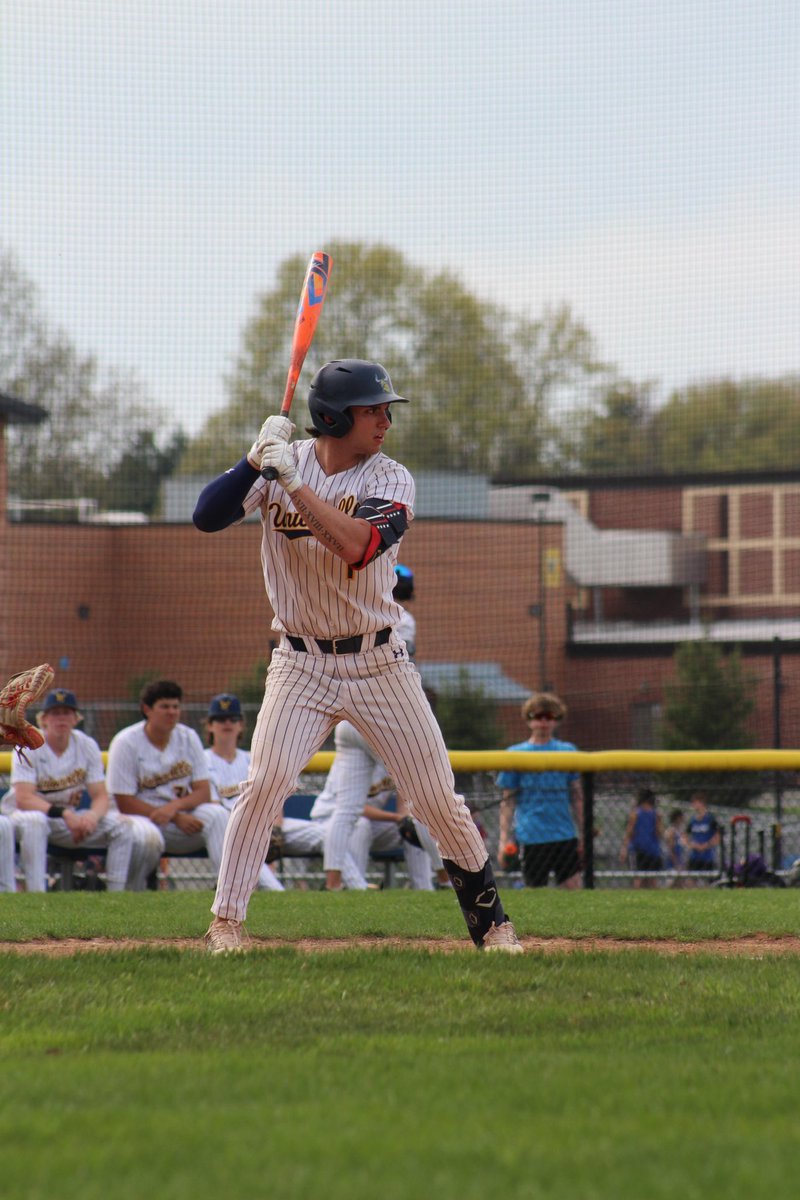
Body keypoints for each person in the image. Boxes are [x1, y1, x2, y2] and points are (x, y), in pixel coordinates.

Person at [193, 357, 521, 952]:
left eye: (384, 410)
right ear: (333, 417)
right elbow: (205, 517)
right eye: (372, 410)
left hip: (378, 663)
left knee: (436, 800)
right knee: (264, 784)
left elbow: (357, 548)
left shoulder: (391, 479)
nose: (385, 421)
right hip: (300, 664)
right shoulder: (273, 470)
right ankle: (226, 924)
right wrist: (252, 460)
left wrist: (292, 483)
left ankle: (493, 927)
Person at [1, 688, 160, 892]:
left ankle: (118, 893)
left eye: (66, 713)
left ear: (76, 718)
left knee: (123, 826)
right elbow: (24, 798)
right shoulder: (30, 743)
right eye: (55, 713)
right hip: (26, 817)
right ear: (44, 719)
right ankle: (36, 892)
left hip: (69, 820)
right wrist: (65, 814)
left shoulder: (86, 745)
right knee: (36, 821)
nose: (61, 718)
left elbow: (101, 795)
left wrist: (91, 817)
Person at [106, 679, 228, 886]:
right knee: (148, 837)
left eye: (175, 706)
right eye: (164, 707)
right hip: (137, 819)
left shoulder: (188, 737)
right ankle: (132, 893)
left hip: (175, 820)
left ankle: (226, 890)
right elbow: (124, 802)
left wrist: (174, 810)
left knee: (218, 815)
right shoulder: (125, 741)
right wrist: (176, 816)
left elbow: (203, 792)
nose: (172, 712)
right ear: (147, 709)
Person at [321, 722, 449, 891]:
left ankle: (334, 885)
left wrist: (404, 818)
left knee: (410, 824)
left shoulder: (371, 760)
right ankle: (446, 880)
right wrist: (397, 818)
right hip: (326, 819)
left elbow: (404, 802)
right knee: (419, 800)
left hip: (349, 722)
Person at [496, 691, 584, 889]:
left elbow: (577, 797)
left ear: (556, 720)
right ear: (529, 719)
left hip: (564, 834)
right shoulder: (515, 754)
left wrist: (584, 833)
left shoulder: (567, 751)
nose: (543, 721)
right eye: (537, 716)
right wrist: (503, 838)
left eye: (549, 716)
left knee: (573, 888)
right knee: (535, 892)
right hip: (530, 834)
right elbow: (508, 801)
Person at [204, 692, 284, 892]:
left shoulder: (252, 759)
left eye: (233, 719)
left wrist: (275, 827)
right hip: (226, 828)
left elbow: (275, 796)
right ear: (210, 725)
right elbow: (212, 805)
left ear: (241, 725)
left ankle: (337, 886)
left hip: (261, 823)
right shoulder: (202, 760)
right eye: (220, 719)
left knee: (321, 834)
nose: (227, 723)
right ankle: (273, 889)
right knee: (241, 837)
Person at [619, 786, 663, 889]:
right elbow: (659, 833)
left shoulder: (636, 813)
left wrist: (624, 848)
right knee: (650, 879)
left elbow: (629, 833)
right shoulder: (654, 814)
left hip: (640, 849)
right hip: (650, 850)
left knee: (639, 879)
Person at [685, 792, 721, 881]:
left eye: (696, 802)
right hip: (694, 856)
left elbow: (718, 836)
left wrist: (707, 845)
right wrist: (692, 844)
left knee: (708, 881)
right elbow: (684, 836)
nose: (694, 805)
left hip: (707, 856)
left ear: (702, 803)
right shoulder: (692, 820)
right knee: (691, 880)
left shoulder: (710, 819)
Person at [664, 807, 688, 887]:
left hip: (680, 859)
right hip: (673, 861)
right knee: (671, 883)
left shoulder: (680, 831)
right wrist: (675, 862)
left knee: (680, 884)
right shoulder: (671, 831)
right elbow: (671, 849)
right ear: (678, 818)